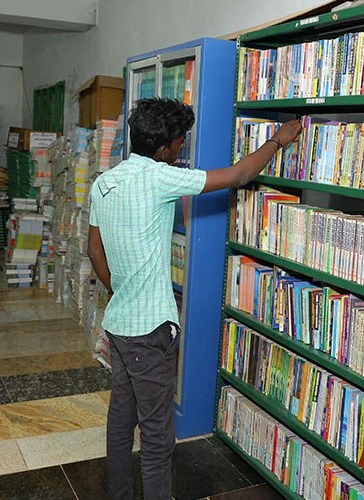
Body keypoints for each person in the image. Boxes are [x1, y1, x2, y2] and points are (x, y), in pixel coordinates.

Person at [87, 97, 302, 500]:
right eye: (180, 143)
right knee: (156, 437)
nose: (181, 150)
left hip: (118, 324)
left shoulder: (105, 181)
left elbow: (94, 251)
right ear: (164, 147)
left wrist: (121, 289)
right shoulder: (160, 177)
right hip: (148, 330)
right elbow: (239, 174)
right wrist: (277, 141)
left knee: (120, 423)